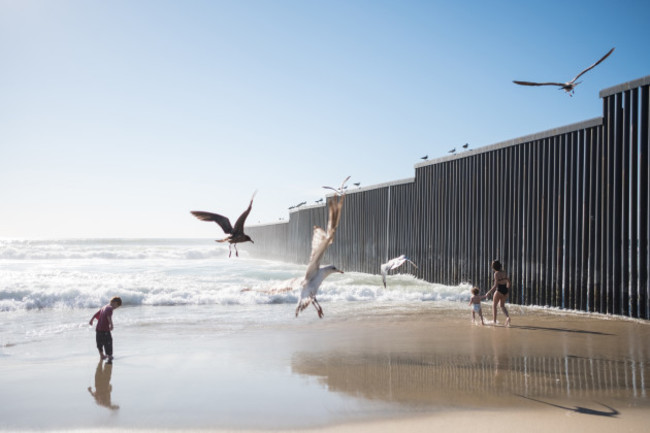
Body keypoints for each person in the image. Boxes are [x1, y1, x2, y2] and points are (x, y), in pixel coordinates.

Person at [89, 296, 122, 362]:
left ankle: (102, 355)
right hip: (105, 330)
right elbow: (108, 316)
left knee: (99, 343)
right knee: (108, 342)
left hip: (98, 329)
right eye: (116, 306)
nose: (115, 308)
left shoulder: (104, 307)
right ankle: (109, 356)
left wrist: (92, 319)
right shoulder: (110, 308)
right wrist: (111, 324)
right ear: (114, 302)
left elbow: (97, 314)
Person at [486, 260, 511, 326]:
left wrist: (489, 292)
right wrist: (508, 286)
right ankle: (507, 317)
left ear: (493, 267)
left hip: (499, 290)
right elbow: (508, 280)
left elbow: (495, 285)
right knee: (502, 306)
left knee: (494, 305)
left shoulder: (496, 274)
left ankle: (494, 320)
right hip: (505, 290)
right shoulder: (504, 272)